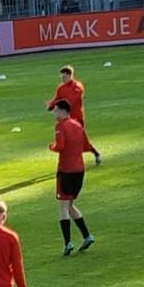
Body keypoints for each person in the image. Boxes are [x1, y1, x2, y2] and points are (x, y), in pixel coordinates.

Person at [49, 100, 100, 256]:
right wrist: (95, 153)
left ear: (63, 111)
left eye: (56, 110)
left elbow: (60, 146)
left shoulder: (60, 126)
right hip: (79, 170)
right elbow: (86, 145)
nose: (54, 113)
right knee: (70, 205)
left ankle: (67, 243)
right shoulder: (77, 125)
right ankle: (86, 236)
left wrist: (52, 146)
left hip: (66, 171)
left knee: (63, 207)